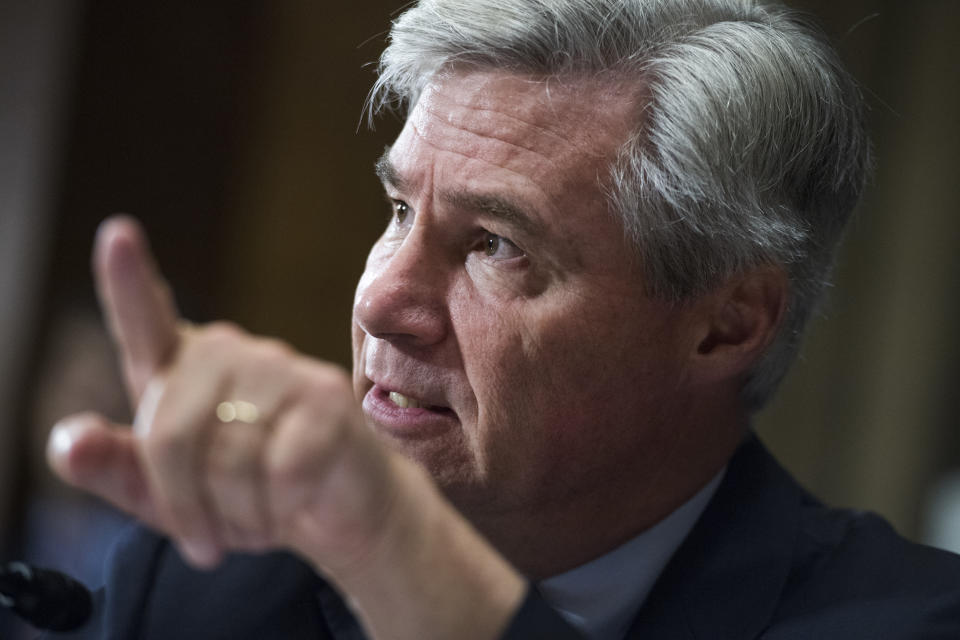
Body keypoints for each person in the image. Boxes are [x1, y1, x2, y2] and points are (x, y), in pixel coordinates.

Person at [43, 0, 960, 638]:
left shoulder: (907, 622)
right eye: (399, 212)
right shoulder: (211, 582)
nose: (381, 304)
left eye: (495, 243)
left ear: (726, 324)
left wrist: (404, 560)